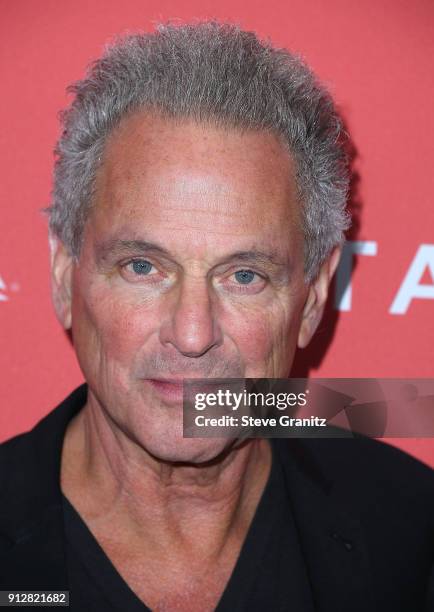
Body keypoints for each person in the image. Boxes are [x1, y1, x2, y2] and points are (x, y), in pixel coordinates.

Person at [0, 21, 433, 612]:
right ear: (62, 276)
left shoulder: (411, 529)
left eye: (244, 276)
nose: (193, 333)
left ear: (310, 301)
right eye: (142, 268)